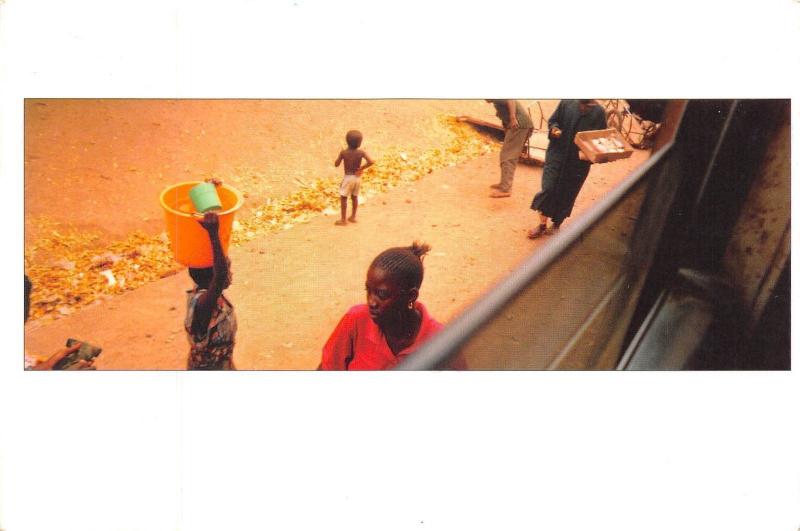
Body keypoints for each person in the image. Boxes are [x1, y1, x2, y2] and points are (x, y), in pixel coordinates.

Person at [319, 242, 466, 370]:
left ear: (411, 296)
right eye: (368, 291)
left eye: (382, 295)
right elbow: (327, 368)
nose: (371, 302)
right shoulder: (356, 320)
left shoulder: (441, 341)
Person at [528, 99, 607, 238]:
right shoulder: (567, 102)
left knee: (568, 194)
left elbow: (601, 138)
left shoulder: (599, 113)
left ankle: (557, 224)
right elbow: (553, 120)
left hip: (578, 162)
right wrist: (554, 129)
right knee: (549, 188)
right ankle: (541, 225)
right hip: (557, 154)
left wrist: (595, 153)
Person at [185, 210, 237, 370]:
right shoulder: (202, 305)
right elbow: (220, 275)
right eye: (228, 268)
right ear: (213, 277)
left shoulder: (209, 295)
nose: (230, 273)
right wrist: (213, 234)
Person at [486, 99, 533, 198]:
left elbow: (510, 99)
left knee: (508, 156)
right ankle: (504, 184)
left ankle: (506, 189)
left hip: (519, 125)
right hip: (519, 125)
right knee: (508, 154)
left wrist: (512, 118)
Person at [334, 130, 374, 225]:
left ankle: (343, 220)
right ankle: (353, 217)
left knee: (344, 198)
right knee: (354, 197)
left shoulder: (344, 152)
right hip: (357, 178)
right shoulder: (361, 152)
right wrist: (361, 168)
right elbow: (371, 161)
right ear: (359, 143)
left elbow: (336, 164)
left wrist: (340, 154)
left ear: (347, 141)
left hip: (348, 177)